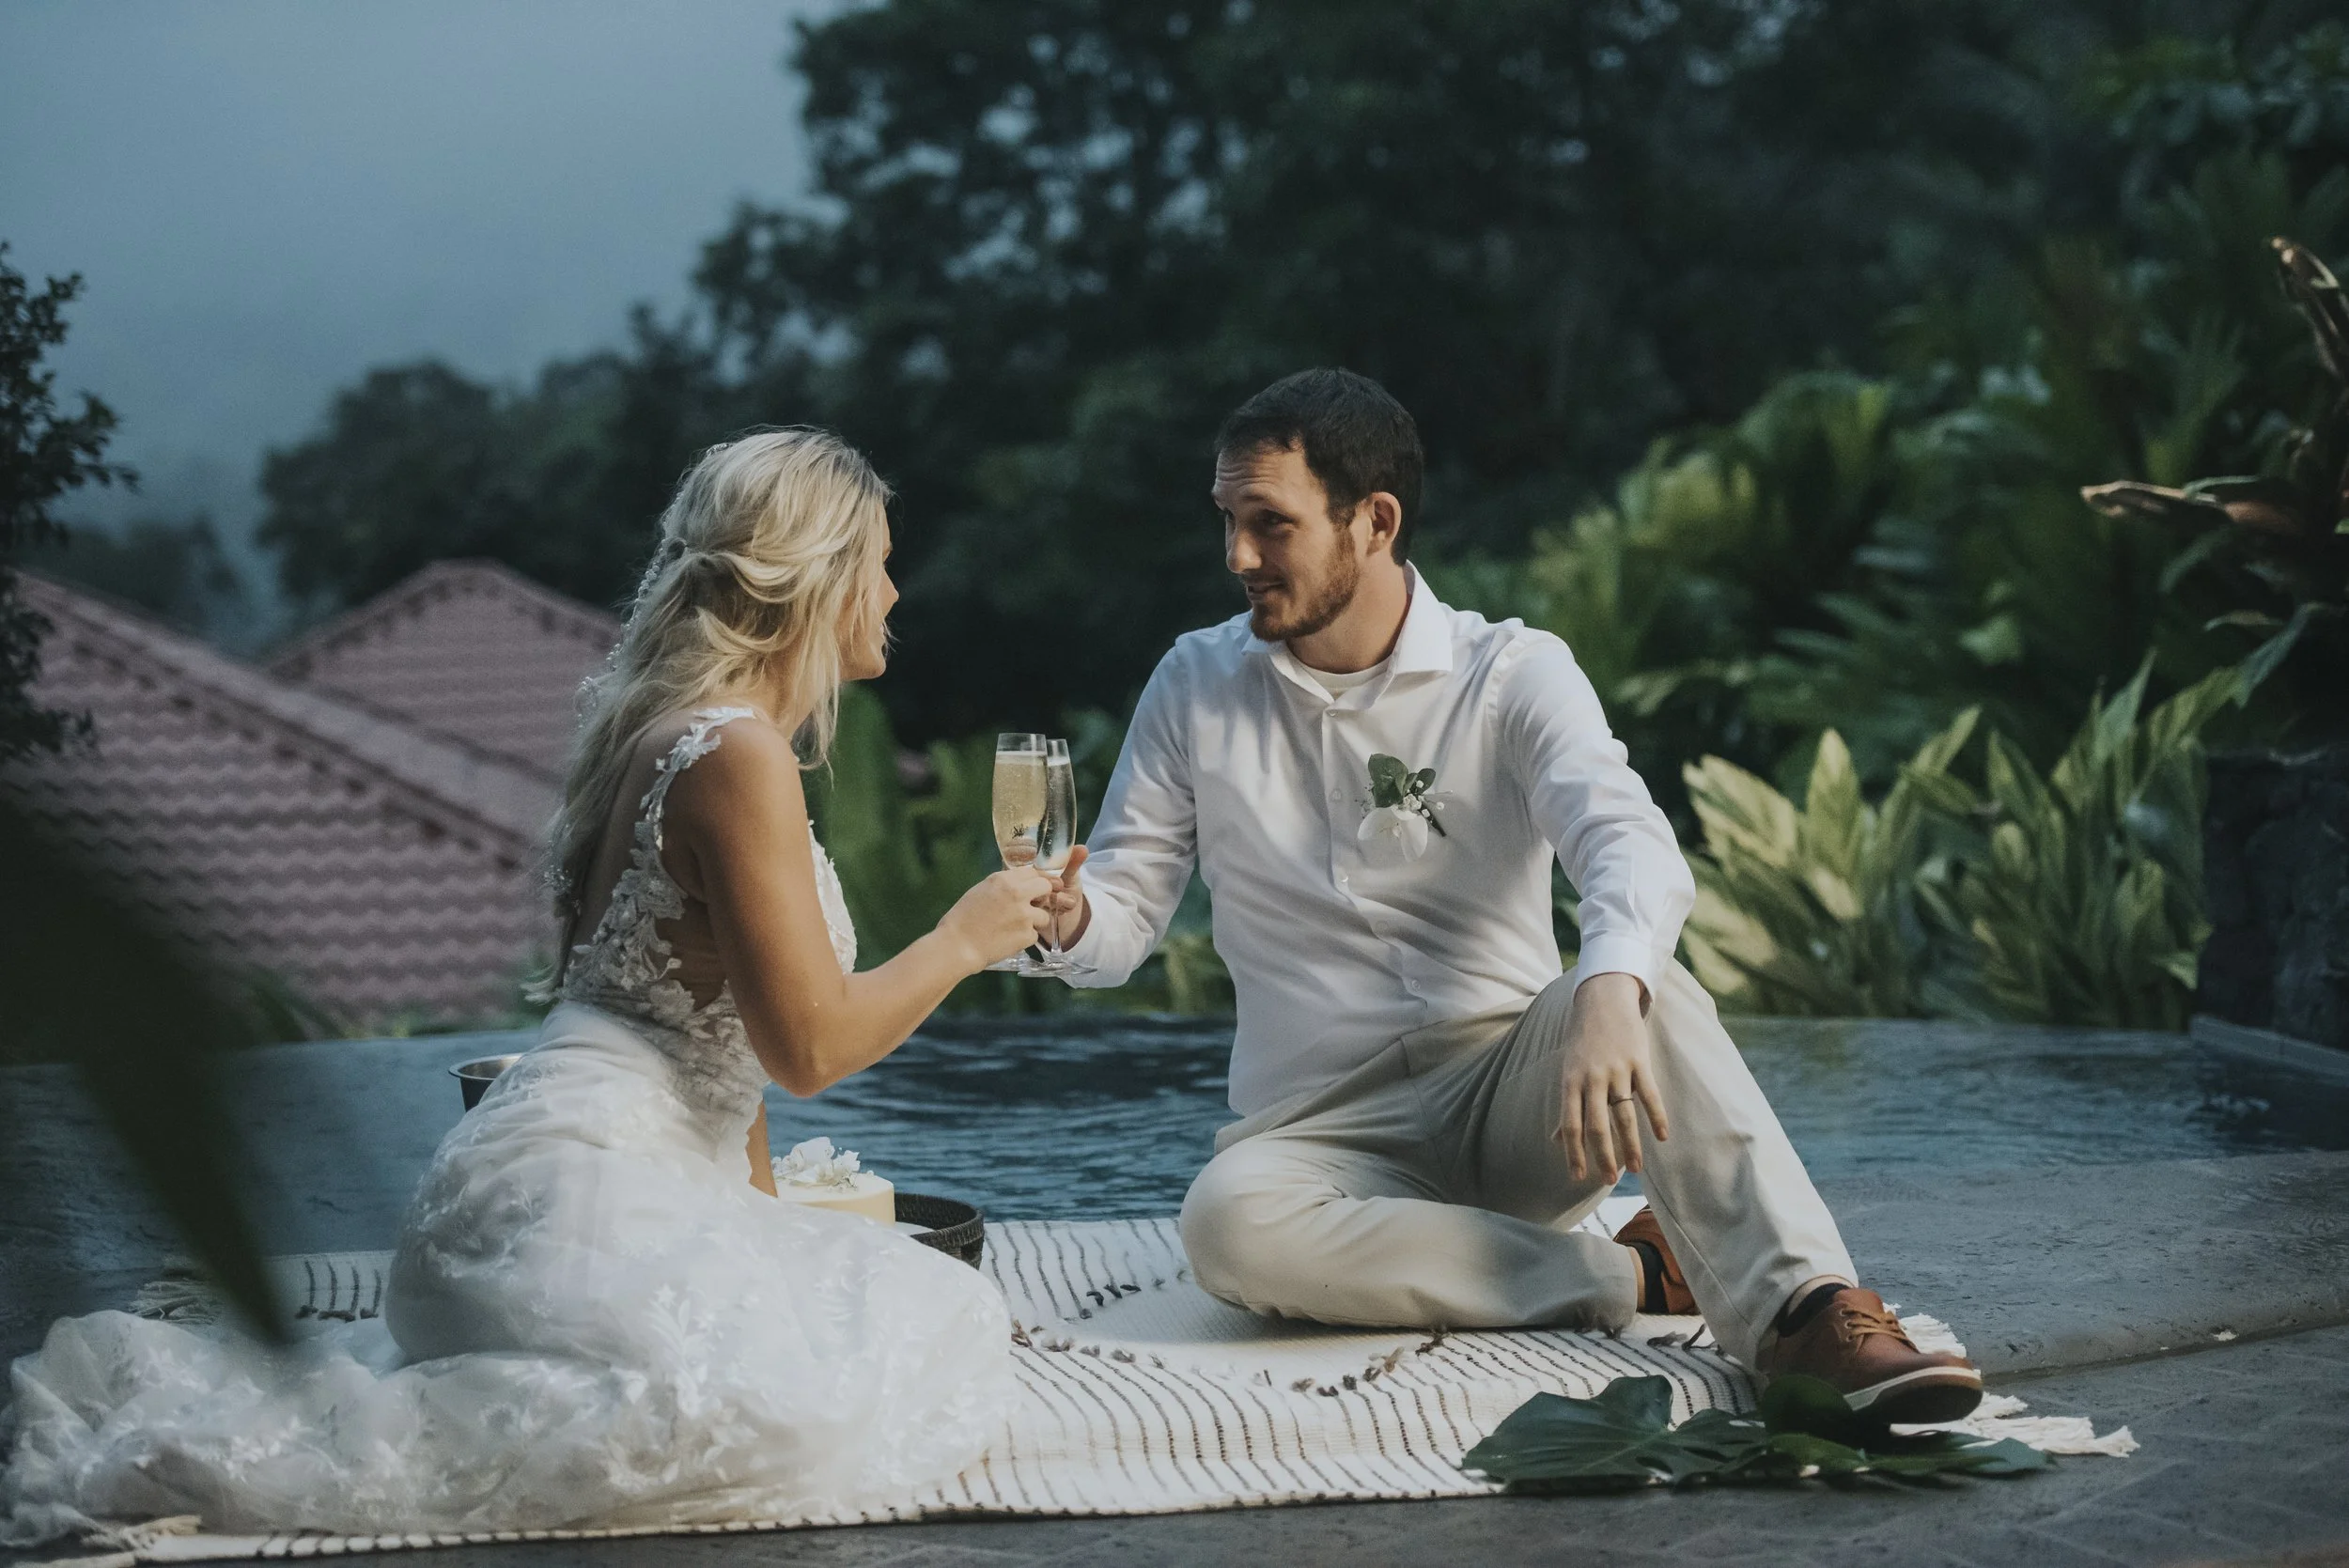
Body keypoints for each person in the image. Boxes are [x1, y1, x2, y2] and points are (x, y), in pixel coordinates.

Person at [1, 430, 1050, 1544]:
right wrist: (961, 937)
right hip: (568, 1213)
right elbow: (804, 1047)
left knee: (902, 1308)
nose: (894, 588)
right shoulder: (735, 755)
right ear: (819, 574)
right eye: (880, 559)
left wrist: (759, 1232)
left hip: (512, 1196)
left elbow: (717, 1053)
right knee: (829, 1394)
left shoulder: (658, 735)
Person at [1046, 370, 1983, 1423]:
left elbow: (1628, 841)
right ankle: (1629, 1278)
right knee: (1226, 1225)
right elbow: (1124, 912)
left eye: (1270, 524)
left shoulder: (1511, 672)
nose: (1237, 558)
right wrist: (1068, 921)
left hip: (1516, 1101)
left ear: (1374, 521)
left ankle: (1806, 1313)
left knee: (1646, 983)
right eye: (1227, 521)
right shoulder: (1192, 683)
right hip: (1319, 1135)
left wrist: (1602, 991)